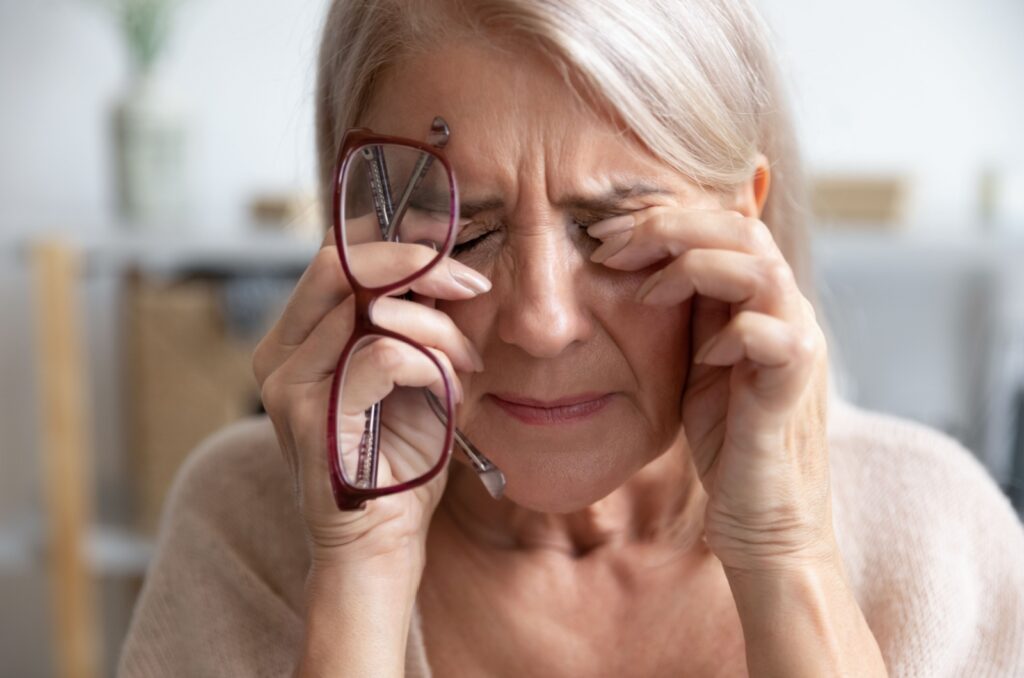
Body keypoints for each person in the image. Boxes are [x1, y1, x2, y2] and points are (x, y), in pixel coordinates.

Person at [118, 1, 1024, 676]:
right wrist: (358, 572)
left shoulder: (935, 535)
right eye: (464, 233)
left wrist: (788, 552)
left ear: (745, 224)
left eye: (613, 230)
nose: (542, 323)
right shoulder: (244, 525)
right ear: (358, 233)